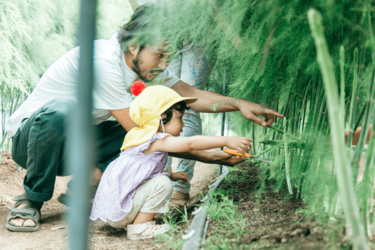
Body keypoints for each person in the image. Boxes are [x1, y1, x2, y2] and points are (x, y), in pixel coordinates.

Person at [5, 4, 283, 232]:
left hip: (73, 146)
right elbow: (148, 136)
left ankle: (91, 181)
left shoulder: (144, 63)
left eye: (168, 56)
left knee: (135, 134)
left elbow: (191, 94)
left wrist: (240, 104)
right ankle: (32, 198)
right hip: (32, 143)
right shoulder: (103, 63)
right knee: (67, 110)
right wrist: (213, 156)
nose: (164, 64)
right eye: (160, 55)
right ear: (135, 46)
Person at [90, 85, 252, 240]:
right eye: (180, 118)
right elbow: (190, 144)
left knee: (164, 179)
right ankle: (139, 227)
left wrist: (172, 174)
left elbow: (139, 174)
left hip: (113, 211)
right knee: (163, 183)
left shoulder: (138, 137)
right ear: (162, 117)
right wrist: (226, 140)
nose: (182, 125)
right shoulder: (155, 139)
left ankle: (135, 221)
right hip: (120, 212)